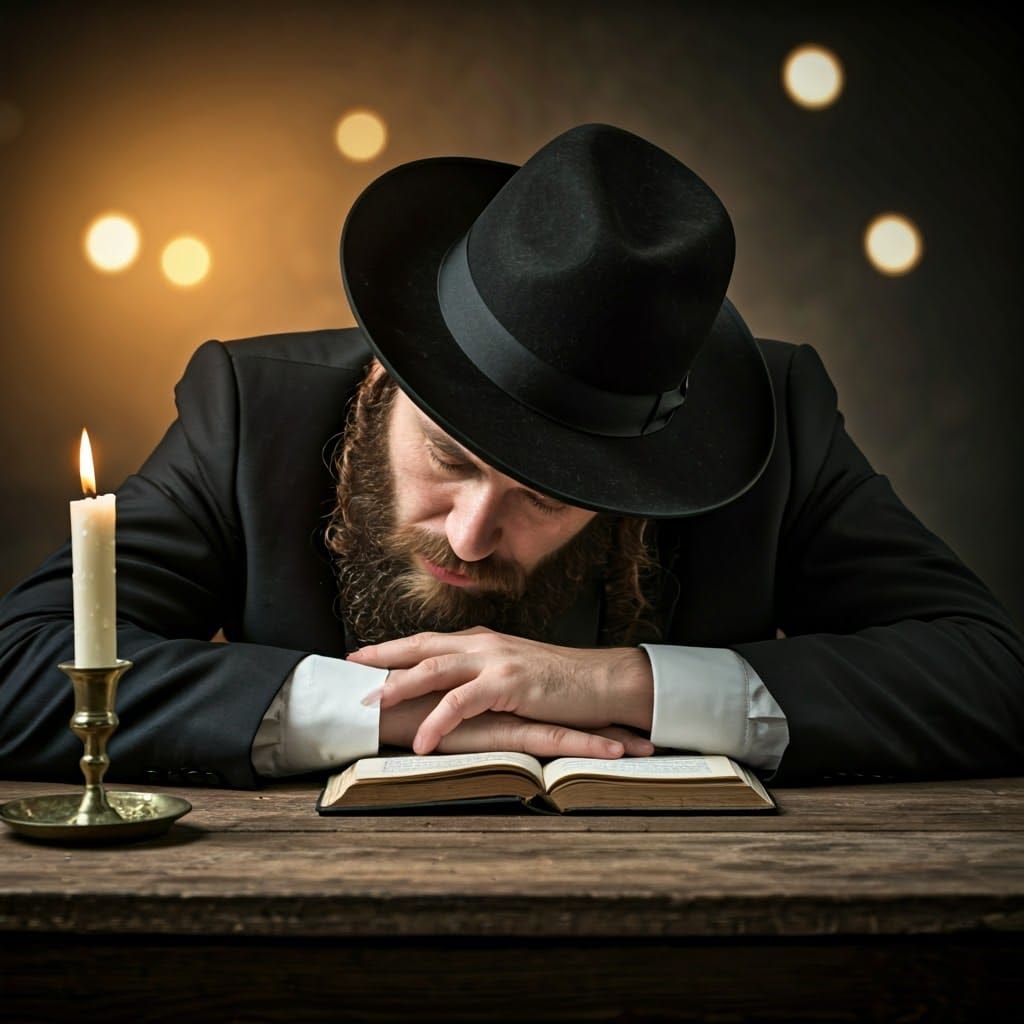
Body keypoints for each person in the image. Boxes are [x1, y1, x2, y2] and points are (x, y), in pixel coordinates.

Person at [1, 123, 1021, 790]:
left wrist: (620, 683)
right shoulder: (246, 410)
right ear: (380, 386)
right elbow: (17, 669)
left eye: (546, 496)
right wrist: (382, 711)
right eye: (446, 457)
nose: (473, 531)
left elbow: (990, 675)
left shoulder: (776, 423)